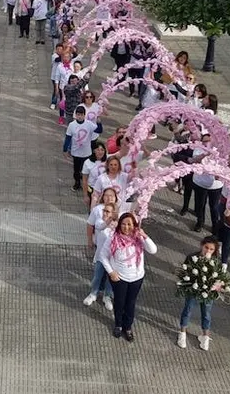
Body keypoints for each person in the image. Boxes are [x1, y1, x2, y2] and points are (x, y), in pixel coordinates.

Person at [99, 213, 157, 341]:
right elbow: (103, 256)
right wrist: (111, 272)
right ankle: (118, 325)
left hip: (136, 278)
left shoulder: (139, 238)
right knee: (119, 302)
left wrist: (145, 236)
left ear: (134, 225)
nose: (126, 227)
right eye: (123, 224)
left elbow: (153, 250)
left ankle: (128, 327)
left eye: (129, 224)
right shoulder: (113, 238)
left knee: (130, 303)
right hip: (119, 278)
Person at [177, 236, 220, 351]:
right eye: (206, 248)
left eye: (211, 249)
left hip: (207, 293)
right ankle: (182, 333)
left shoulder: (215, 262)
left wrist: (217, 286)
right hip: (193, 290)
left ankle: (205, 336)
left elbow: (218, 278)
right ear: (202, 245)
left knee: (206, 313)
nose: (208, 251)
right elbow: (185, 272)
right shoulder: (192, 257)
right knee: (188, 310)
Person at [84, 198, 119, 311]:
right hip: (100, 256)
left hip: (113, 259)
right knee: (97, 277)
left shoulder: (118, 225)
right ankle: (93, 293)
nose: (105, 213)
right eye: (104, 210)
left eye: (108, 211)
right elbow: (100, 226)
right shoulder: (101, 222)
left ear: (113, 213)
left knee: (110, 279)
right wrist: (108, 222)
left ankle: (107, 296)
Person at [63, 106, 103, 191]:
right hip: (76, 152)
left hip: (86, 153)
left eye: (81, 115)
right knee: (76, 170)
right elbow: (68, 138)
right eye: (78, 115)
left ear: (84, 115)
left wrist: (99, 123)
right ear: (76, 115)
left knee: (85, 169)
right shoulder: (72, 125)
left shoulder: (89, 124)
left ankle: (86, 184)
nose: (79, 116)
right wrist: (65, 150)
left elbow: (99, 130)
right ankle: (77, 183)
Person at [81, 142, 108, 208]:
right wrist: (85, 195)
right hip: (92, 190)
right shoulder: (88, 162)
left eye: (102, 150)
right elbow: (85, 180)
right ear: (94, 151)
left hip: (105, 189)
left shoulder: (108, 161)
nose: (100, 152)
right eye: (98, 150)